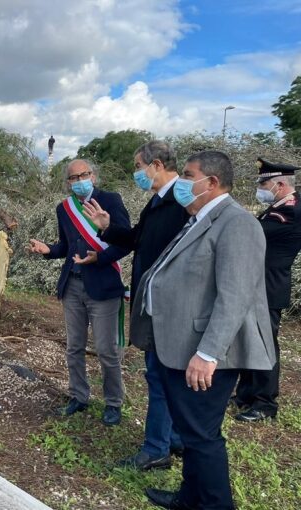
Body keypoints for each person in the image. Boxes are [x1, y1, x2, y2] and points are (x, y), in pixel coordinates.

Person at [131, 150, 275, 509]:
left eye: (189, 175)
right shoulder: (200, 217)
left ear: (211, 182)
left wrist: (208, 353)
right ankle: (190, 498)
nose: (181, 182)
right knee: (193, 435)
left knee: (202, 437)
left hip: (205, 353)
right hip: (179, 346)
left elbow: (235, 296)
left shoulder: (237, 223)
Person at [81, 141, 190, 471]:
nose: (136, 173)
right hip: (153, 298)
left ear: (156, 165)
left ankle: (156, 448)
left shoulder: (180, 201)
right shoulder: (157, 201)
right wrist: (107, 227)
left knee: (159, 377)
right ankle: (173, 439)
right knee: (163, 376)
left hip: (168, 303)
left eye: (138, 166)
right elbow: (136, 240)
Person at [27, 159, 131, 426]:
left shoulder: (111, 200)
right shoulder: (64, 209)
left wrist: (100, 258)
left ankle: (113, 402)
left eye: (83, 175)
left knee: (107, 350)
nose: (78, 181)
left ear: (93, 176)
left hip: (103, 284)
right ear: (68, 182)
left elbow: (126, 242)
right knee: (74, 346)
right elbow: (66, 246)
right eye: (73, 178)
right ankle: (79, 396)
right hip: (72, 284)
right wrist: (48, 250)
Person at [232, 157, 301, 422]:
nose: (260, 187)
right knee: (249, 340)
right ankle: (246, 394)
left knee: (264, 346)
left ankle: (265, 403)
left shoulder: (289, 212)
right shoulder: (278, 206)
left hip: (268, 288)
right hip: (257, 284)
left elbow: (252, 234)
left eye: (265, 182)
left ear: (281, 184)